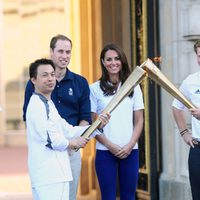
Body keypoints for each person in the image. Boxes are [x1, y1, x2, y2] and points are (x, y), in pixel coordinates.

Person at [26, 58, 109, 200]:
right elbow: (50, 138)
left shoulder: (48, 103)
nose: (50, 78)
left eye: (52, 74)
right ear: (33, 79)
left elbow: (69, 130)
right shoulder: (37, 105)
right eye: (44, 75)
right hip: (47, 176)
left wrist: (96, 126)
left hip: (58, 174)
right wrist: (72, 143)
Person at [23, 35, 91, 200]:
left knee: (68, 196)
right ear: (51, 52)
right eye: (60, 51)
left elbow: (81, 119)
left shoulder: (79, 83)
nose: (64, 55)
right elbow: (36, 126)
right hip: (48, 157)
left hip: (71, 151)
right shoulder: (36, 92)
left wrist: (95, 129)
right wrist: (69, 142)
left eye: (68, 52)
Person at [90, 43, 144, 200]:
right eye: (109, 59)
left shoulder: (133, 87)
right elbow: (92, 124)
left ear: (122, 61)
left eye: (117, 58)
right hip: (105, 151)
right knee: (108, 197)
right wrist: (110, 145)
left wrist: (130, 144)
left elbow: (139, 120)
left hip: (130, 151)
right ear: (103, 62)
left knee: (129, 196)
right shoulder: (94, 89)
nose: (113, 63)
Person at [172, 40, 200, 200]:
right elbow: (176, 107)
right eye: (199, 55)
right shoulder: (190, 81)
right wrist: (184, 132)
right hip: (197, 148)